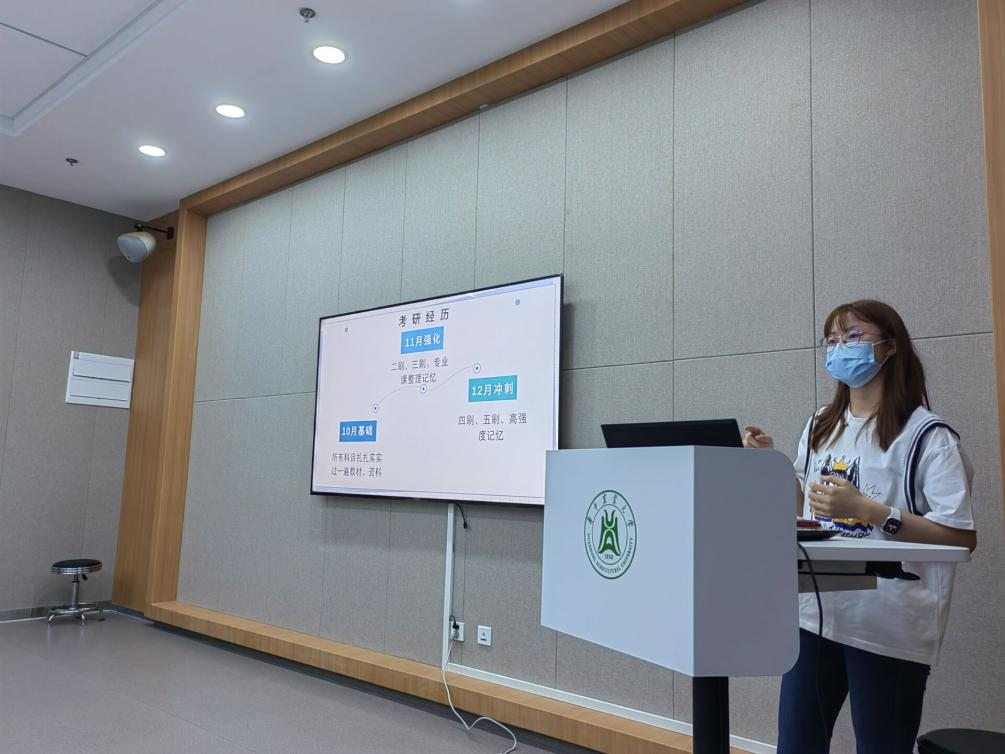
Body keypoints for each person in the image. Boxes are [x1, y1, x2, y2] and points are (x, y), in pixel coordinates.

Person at [743, 300, 976, 754]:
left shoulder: (928, 436)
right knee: (796, 744)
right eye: (831, 340)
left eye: (853, 337)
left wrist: (873, 512)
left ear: (890, 347)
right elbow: (808, 512)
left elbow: (962, 537)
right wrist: (772, 469)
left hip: (887, 624)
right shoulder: (821, 425)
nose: (839, 348)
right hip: (816, 613)